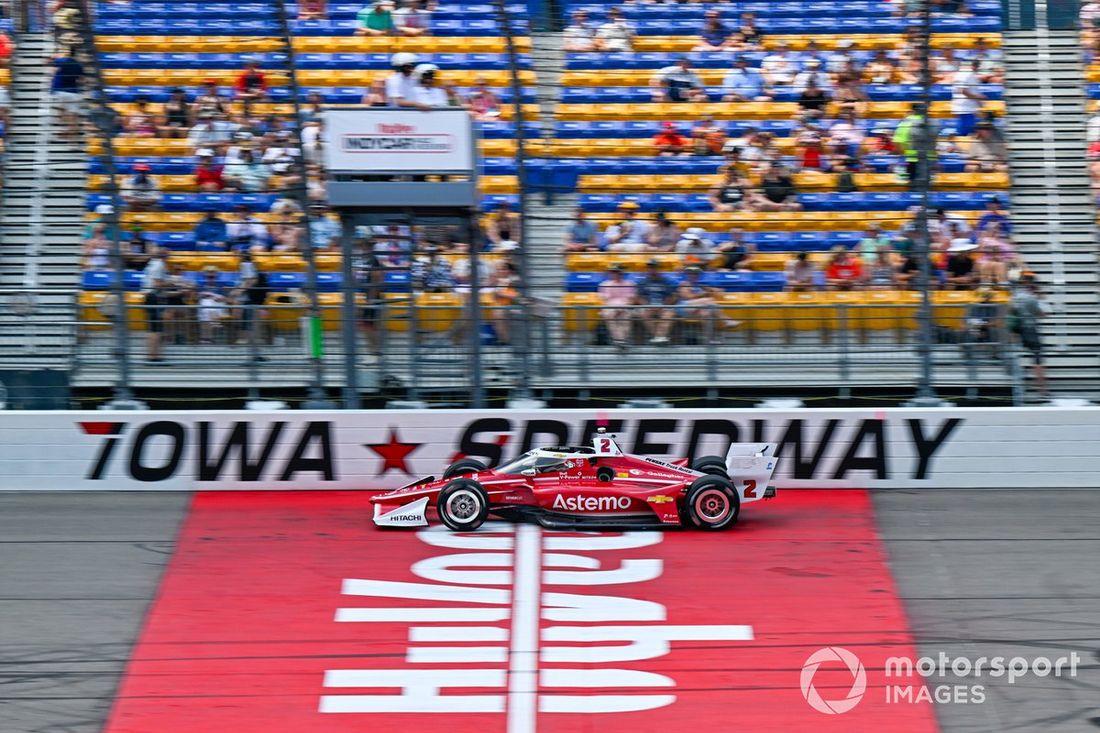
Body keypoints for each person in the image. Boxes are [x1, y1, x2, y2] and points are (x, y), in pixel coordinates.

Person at [1010, 273, 1048, 398]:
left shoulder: (1016, 296)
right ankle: (1041, 389)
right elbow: (1043, 314)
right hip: (1030, 329)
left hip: (1018, 329)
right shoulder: (1031, 298)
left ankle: (1023, 384)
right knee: (1038, 358)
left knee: (1019, 354)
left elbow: (1013, 310)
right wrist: (1040, 298)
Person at [597, 264, 637, 351]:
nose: (615, 274)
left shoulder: (630, 284)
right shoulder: (604, 284)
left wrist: (622, 308)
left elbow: (631, 300)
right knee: (609, 315)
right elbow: (605, 301)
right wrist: (614, 309)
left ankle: (620, 341)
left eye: (617, 272)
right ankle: (620, 341)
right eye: (613, 272)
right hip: (610, 307)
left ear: (621, 273)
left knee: (625, 316)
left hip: (625, 306)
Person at [635, 259, 675, 344]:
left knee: (669, 314)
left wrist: (664, 306)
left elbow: (672, 296)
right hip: (648, 306)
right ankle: (659, 337)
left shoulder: (666, 281)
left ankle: (657, 337)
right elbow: (638, 297)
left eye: (654, 267)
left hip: (663, 306)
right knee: (643, 314)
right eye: (650, 268)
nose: (652, 270)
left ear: (659, 268)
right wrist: (647, 306)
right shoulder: (643, 282)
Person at [51, 49, 84, 139]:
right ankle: (72, 142)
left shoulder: (63, 61)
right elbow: (81, 81)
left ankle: (65, 130)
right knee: (73, 118)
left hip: (61, 92)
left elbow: (52, 60)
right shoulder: (79, 65)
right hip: (74, 93)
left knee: (62, 112)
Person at [952, 59, 985, 138]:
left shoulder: (964, 74)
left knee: (967, 134)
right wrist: (978, 97)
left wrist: (979, 102)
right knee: (964, 135)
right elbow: (963, 91)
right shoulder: (967, 74)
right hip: (965, 109)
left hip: (967, 109)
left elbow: (971, 90)